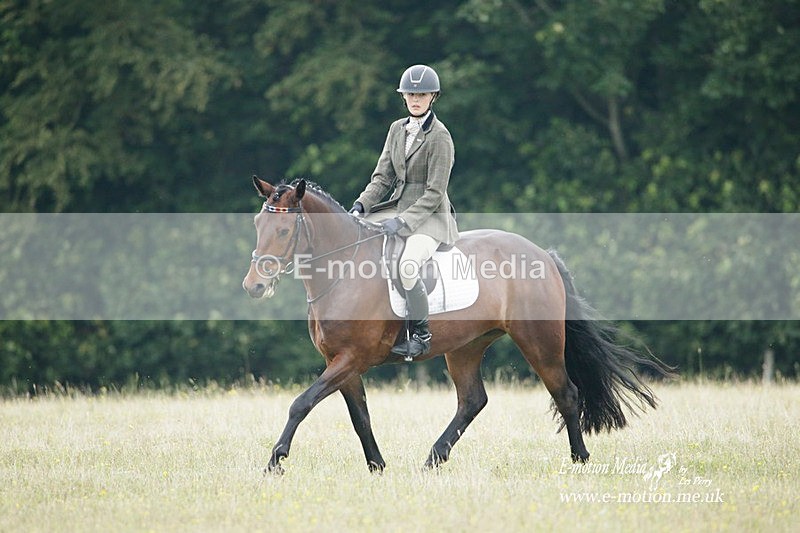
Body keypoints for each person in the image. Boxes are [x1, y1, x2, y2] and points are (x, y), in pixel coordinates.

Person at [349, 64, 459, 358]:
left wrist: (403, 222)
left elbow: (435, 193)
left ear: (433, 96)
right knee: (355, 241)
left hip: (431, 218)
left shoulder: (440, 137)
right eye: (410, 93)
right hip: (396, 208)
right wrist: (362, 205)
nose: (415, 99)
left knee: (408, 265)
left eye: (421, 94)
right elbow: (383, 177)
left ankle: (421, 334)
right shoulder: (397, 129)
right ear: (403, 96)